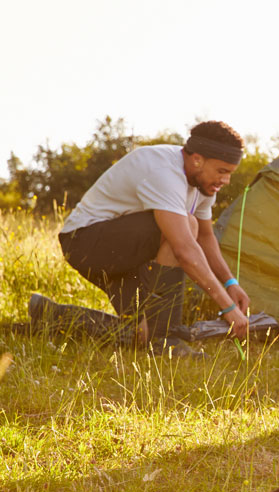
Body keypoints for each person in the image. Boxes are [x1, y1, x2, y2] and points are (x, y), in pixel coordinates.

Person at [32, 121, 251, 356]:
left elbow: (206, 237)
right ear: (197, 159)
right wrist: (227, 307)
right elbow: (185, 249)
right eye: (222, 171)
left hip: (129, 254)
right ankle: (167, 338)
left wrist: (231, 284)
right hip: (86, 242)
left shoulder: (202, 183)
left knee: (141, 335)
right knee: (186, 224)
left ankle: (49, 315)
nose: (226, 181)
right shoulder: (164, 172)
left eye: (230, 173)